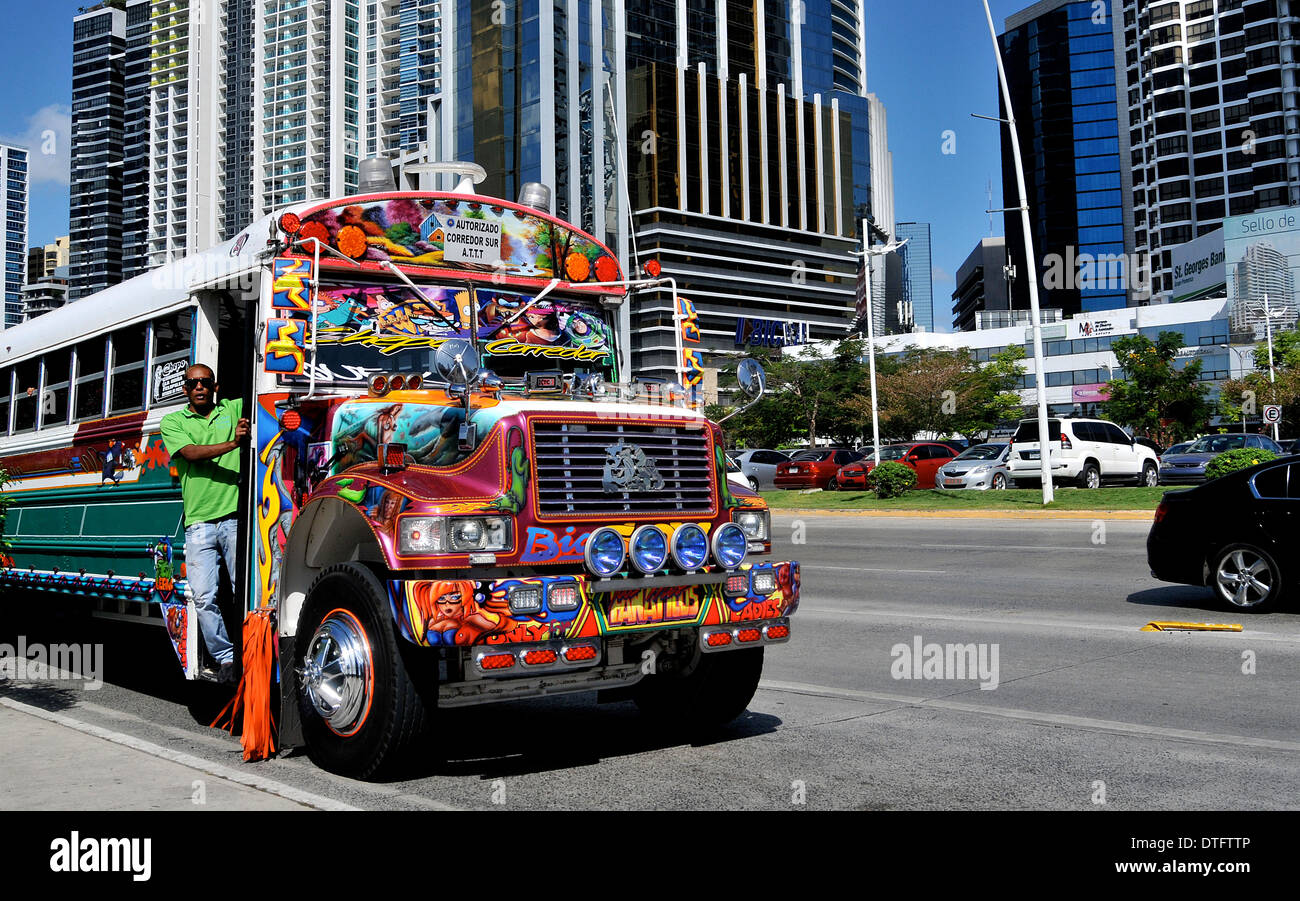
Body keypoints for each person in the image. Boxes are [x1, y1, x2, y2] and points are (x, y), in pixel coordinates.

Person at [159, 364, 250, 684]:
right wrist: (233, 444)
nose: (199, 387)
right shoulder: (173, 421)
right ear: (185, 389)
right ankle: (225, 657)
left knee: (246, 591)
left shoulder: (234, 408)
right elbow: (191, 453)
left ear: (215, 386)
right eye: (193, 383)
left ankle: (250, 651)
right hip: (198, 523)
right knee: (203, 595)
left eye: (205, 382)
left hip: (235, 517)